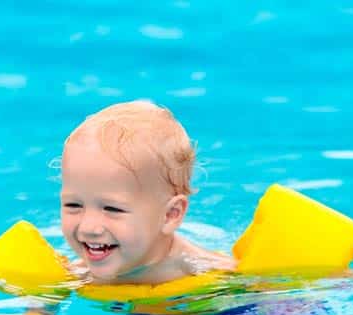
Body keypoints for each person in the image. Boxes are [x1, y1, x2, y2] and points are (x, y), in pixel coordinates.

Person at [60, 100, 235, 284]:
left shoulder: (199, 269)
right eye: (73, 205)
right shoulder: (78, 274)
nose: (88, 227)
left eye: (112, 209)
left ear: (170, 215)